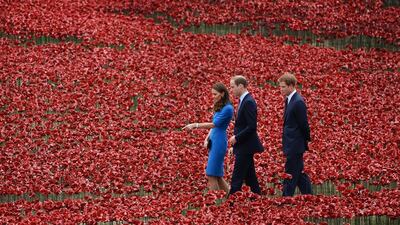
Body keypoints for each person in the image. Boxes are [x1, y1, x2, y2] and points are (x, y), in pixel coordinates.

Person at [183, 82, 233, 194]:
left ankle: (215, 203)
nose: (213, 96)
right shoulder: (221, 107)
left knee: (211, 174)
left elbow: (214, 124)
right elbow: (214, 126)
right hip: (214, 139)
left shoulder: (228, 108)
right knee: (217, 176)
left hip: (219, 141)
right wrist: (207, 137)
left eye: (215, 94)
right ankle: (232, 199)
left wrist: (195, 125)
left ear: (222, 94)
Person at [228, 75, 264, 196]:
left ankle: (230, 205)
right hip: (244, 146)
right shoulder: (243, 100)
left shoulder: (248, 101)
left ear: (241, 86)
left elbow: (251, 126)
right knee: (250, 178)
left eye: (232, 87)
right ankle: (258, 199)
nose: (231, 90)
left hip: (245, 146)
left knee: (237, 178)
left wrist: (236, 138)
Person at [278, 72, 312, 196]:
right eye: (280, 87)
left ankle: (285, 199)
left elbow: (304, 124)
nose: (280, 89)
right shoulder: (289, 100)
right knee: (299, 173)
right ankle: (309, 197)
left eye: (283, 87)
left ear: (291, 86)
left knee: (290, 172)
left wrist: (306, 140)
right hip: (292, 143)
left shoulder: (298, 102)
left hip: (295, 144)